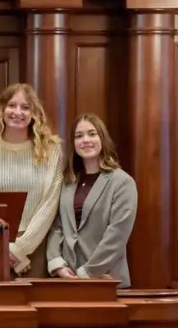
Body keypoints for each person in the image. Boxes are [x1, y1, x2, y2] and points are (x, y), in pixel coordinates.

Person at [46, 113, 137, 288]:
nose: (85, 140)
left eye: (92, 134)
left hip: (106, 279)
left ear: (102, 138)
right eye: (79, 136)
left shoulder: (122, 182)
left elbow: (117, 234)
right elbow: (57, 224)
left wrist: (87, 272)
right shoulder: (68, 181)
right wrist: (56, 263)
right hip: (67, 279)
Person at [0, 83, 64, 278]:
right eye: (12, 105)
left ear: (34, 113)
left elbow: (50, 203)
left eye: (25, 107)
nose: (17, 112)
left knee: (34, 307)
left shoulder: (51, 149)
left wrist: (21, 248)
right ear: (1, 110)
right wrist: (6, 245)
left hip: (36, 247)